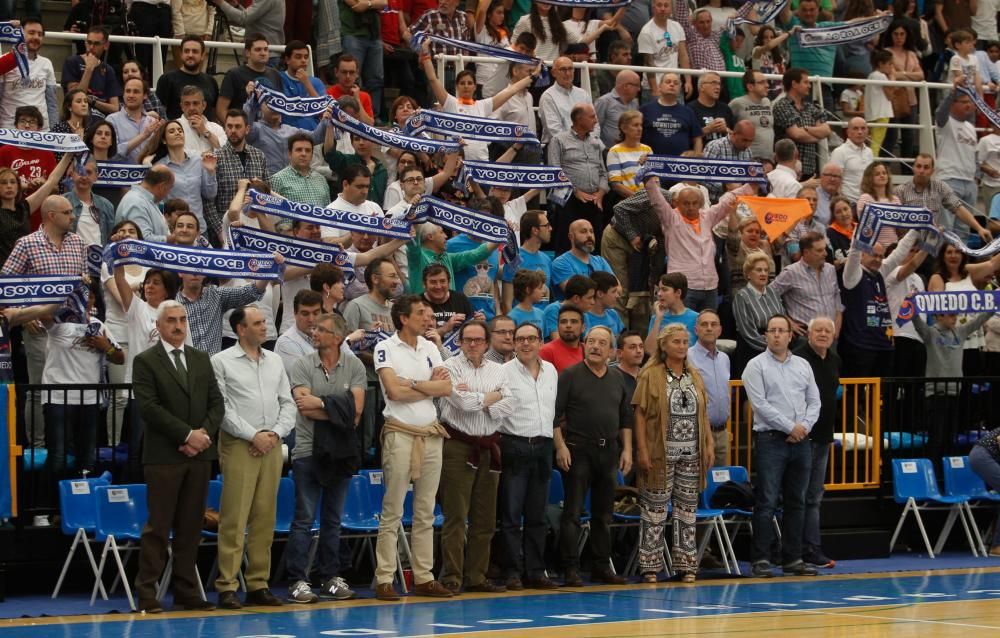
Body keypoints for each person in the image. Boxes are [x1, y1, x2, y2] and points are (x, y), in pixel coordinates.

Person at [131, 301, 223, 613]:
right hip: (163, 456)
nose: (178, 325)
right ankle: (147, 593)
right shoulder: (145, 361)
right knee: (158, 527)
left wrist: (202, 436)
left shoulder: (200, 359)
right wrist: (187, 436)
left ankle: (186, 591)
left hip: (199, 456)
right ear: (159, 325)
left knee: (191, 527)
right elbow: (149, 407)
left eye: (182, 319)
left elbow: (216, 403)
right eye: (171, 320)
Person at [211, 306, 295, 609]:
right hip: (239, 444)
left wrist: (274, 434)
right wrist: (253, 435)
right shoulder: (220, 361)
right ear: (240, 329)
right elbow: (221, 408)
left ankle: (259, 583)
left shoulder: (274, 360)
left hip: (271, 444)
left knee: (264, 516)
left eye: (264, 321)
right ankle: (227, 585)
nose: (264, 327)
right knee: (234, 517)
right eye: (258, 323)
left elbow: (288, 402)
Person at [372, 295, 454, 601]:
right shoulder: (385, 347)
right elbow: (393, 391)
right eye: (421, 313)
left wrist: (413, 384)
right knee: (392, 508)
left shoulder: (431, 347)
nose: (428, 318)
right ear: (403, 318)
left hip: (431, 433)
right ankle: (383, 578)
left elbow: (446, 388)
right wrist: (425, 385)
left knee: (426, 509)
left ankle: (424, 576)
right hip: (400, 433)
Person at [285, 312, 367, 603]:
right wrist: (337, 409)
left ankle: (329, 577)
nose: (314, 331)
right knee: (304, 519)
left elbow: (355, 414)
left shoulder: (354, 366)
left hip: (342, 453)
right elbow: (303, 407)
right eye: (314, 327)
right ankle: (297, 580)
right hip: (308, 450)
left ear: (337, 337)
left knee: (333, 520)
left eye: (321, 328)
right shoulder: (302, 365)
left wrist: (321, 403)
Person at [741, 313, 821, 579]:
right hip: (771, 440)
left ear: (790, 335)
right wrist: (791, 427)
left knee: (797, 501)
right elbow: (760, 405)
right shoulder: (755, 365)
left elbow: (814, 401)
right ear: (766, 336)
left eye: (781, 330)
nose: (776, 334)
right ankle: (761, 559)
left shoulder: (803, 365)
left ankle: (793, 558)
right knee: (767, 501)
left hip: (801, 441)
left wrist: (804, 428)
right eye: (771, 330)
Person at [634, 322, 714, 583]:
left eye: (684, 342)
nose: (681, 346)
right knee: (655, 510)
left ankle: (687, 565)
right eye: (676, 342)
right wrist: (642, 450)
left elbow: (704, 413)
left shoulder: (695, 375)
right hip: (661, 452)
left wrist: (709, 443)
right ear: (664, 345)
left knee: (686, 510)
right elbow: (640, 414)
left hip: (691, 452)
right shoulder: (651, 374)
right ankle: (650, 566)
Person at [438, 320, 513, 594]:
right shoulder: (449, 368)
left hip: (490, 446)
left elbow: (509, 404)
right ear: (459, 341)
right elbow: (462, 403)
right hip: (459, 446)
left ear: (486, 342)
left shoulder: (499, 370)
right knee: (456, 516)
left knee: (485, 518)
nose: (472, 344)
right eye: (467, 339)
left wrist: (482, 399)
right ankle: (452, 577)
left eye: (478, 340)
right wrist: (491, 397)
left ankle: (477, 576)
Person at [555, 325, 632, 586]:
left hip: (609, 450)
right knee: (573, 513)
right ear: (584, 345)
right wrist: (561, 446)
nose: (596, 346)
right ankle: (570, 568)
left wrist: (628, 450)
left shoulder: (617, 378)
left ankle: (601, 565)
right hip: (578, 449)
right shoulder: (569, 375)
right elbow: (554, 416)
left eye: (602, 343)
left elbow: (625, 418)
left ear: (612, 351)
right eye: (591, 341)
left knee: (604, 514)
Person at [498, 322, 558, 590]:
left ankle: (536, 570)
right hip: (514, 445)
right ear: (513, 343)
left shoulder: (552, 371)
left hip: (544, 447)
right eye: (520, 339)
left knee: (538, 515)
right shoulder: (502, 373)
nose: (525, 343)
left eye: (531, 338)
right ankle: (511, 570)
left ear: (540, 341)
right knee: (511, 514)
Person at [644, 174, 753, 311]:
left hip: (710, 285)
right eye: (686, 203)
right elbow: (656, 199)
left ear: (700, 204)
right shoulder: (670, 218)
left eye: (694, 203)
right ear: (677, 203)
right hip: (683, 287)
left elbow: (728, 200)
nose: (690, 207)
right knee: (683, 329)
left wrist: (752, 185)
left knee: (709, 329)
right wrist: (647, 174)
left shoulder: (707, 216)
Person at [793, 316, 840, 569]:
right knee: (799, 495)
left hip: (823, 437)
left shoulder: (834, 359)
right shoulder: (800, 358)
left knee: (814, 496)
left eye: (827, 331)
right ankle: (798, 549)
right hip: (803, 436)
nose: (822, 334)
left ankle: (811, 547)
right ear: (808, 334)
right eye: (818, 330)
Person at [894, 153, 992, 244]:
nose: (921, 171)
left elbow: (958, 208)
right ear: (913, 168)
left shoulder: (940, 187)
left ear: (932, 171)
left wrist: (979, 228)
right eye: (918, 166)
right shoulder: (900, 191)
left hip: (932, 245)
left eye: (926, 167)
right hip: (908, 246)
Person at [770, 231, 843, 337]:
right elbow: (767, 297)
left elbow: (837, 301)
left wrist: (836, 329)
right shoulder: (791, 272)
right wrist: (786, 320)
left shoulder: (830, 269)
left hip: (829, 334)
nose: (825, 254)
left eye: (825, 249)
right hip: (805, 335)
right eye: (819, 250)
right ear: (806, 252)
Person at [688, 309, 731, 466]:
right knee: (699, 485)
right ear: (696, 330)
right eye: (704, 324)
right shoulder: (687, 357)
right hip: (698, 433)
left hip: (722, 432)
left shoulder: (725, 358)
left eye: (713, 324)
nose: (709, 328)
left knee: (720, 486)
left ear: (720, 330)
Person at [732, 251, 786, 376]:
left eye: (766, 270)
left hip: (776, 346)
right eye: (759, 270)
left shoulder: (773, 292)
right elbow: (749, 334)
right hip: (752, 351)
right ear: (748, 274)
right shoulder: (741, 296)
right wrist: (774, 347)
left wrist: (780, 344)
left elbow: (783, 319)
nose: (763, 273)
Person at [772, 68, 830, 180]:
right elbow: (796, 135)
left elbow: (826, 130)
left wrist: (807, 129)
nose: (809, 85)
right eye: (805, 82)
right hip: (789, 169)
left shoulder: (810, 107)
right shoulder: (782, 105)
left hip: (809, 169)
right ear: (794, 84)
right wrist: (817, 135)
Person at [0, 19, 57, 129]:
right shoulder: (5, 62)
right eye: (31, 33)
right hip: (10, 129)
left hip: (41, 131)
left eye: (40, 34)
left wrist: (54, 131)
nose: (36, 37)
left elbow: (52, 104)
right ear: (20, 33)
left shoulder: (47, 63)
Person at [216, 34, 283, 122]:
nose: (263, 53)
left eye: (266, 49)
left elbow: (280, 106)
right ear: (247, 53)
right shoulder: (234, 74)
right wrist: (233, 130)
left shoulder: (275, 74)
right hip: (242, 130)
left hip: (268, 130)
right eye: (258, 50)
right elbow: (221, 109)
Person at [60, 26, 121, 117]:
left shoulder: (108, 70)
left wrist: (91, 101)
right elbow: (76, 98)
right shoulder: (72, 62)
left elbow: (115, 108)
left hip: (101, 121)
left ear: (106, 45)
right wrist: (88, 70)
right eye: (89, 42)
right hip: (76, 117)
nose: (91, 47)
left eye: (96, 44)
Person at [156, 36, 218, 120]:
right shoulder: (167, 79)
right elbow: (159, 113)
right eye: (186, 51)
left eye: (195, 51)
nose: (190, 55)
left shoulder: (211, 81)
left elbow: (214, 112)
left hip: (205, 131)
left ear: (202, 55)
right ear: (181, 54)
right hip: (178, 131)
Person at [640, 72, 702, 156]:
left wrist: (696, 155)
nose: (672, 84)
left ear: (680, 89)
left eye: (676, 83)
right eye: (668, 82)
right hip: (650, 161)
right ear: (660, 87)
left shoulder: (688, 112)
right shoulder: (645, 110)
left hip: (680, 163)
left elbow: (697, 138)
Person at [538, 57, 596, 146]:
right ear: (553, 73)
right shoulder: (548, 97)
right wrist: (577, 146)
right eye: (563, 69)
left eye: (570, 69)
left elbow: (594, 123)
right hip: (559, 148)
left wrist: (590, 143)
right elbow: (554, 131)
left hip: (587, 145)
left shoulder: (583, 94)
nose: (568, 73)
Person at [106, 78, 164, 164]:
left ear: (145, 95)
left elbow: (162, 155)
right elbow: (111, 153)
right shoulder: (112, 120)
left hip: (149, 174)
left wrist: (161, 136)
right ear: (123, 94)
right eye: (128, 91)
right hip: (121, 173)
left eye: (136, 92)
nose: (131, 95)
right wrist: (144, 136)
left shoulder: (153, 122)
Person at [638, 0, 688, 92]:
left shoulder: (677, 26)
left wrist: (688, 81)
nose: (662, 9)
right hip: (655, 86)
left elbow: (683, 55)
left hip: (675, 84)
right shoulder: (646, 32)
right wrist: (655, 89)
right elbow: (648, 63)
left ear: (671, 9)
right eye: (659, 5)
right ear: (653, 7)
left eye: (666, 5)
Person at [115, 165, 174, 242]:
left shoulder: (147, 201)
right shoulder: (137, 202)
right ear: (162, 186)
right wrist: (172, 239)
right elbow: (142, 239)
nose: (167, 194)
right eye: (169, 189)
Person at [271, 133, 331, 207]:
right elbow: (272, 212)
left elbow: (327, 210)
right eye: (299, 150)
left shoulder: (321, 179)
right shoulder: (277, 179)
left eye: (308, 150)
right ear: (290, 154)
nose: (304, 154)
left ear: (312, 155)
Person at [645, 272, 699, 353]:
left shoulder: (696, 318)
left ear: (678, 293)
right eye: (659, 289)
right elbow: (650, 351)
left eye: (664, 289)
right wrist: (658, 319)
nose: (659, 294)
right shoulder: (656, 318)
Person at [730, 70, 775, 162]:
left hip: (769, 159)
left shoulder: (767, 102)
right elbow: (728, 127)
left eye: (766, 82)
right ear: (750, 86)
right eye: (761, 82)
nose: (767, 85)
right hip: (748, 158)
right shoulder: (737, 103)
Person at [595, 72, 641, 152]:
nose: (639, 89)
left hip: (630, 153)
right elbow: (594, 129)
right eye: (637, 85)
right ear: (626, 86)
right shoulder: (604, 101)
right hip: (608, 153)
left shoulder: (635, 103)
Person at [829, 117, 873, 202]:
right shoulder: (839, 152)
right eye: (855, 128)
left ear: (867, 131)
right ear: (848, 132)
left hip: (868, 202)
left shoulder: (869, 152)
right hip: (849, 203)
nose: (860, 132)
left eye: (863, 128)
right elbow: (834, 181)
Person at [540, 303, 586, 374]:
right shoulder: (546, 351)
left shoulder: (587, 349)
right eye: (563, 322)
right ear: (557, 326)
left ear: (583, 328)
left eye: (574, 322)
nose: (568, 325)